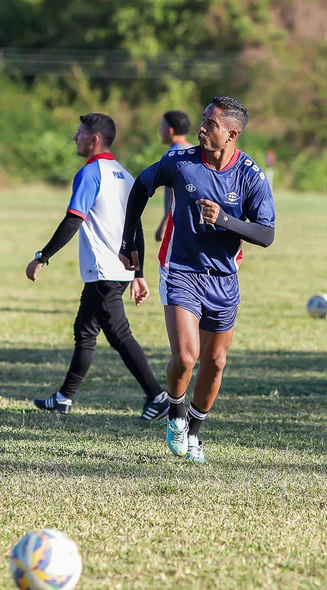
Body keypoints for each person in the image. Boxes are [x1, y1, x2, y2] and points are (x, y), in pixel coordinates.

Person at [119, 96, 276, 463]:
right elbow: (141, 188)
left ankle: (195, 430)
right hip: (181, 271)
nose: (202, 128)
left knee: (216, 362)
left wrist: (224, 220)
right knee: (187, 358)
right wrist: (130, 241)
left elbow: (266, 235)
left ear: (232, 134)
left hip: (224, 279)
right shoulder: (180, 162)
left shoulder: (250, 175)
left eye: (211, 124)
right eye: (203, 120)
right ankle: (175, 414)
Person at [24, 113, 169, 421]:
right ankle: (64, 398)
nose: (74, 138)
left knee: (119, 334)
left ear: (94, 140)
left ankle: (158, 396)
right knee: (85, 330)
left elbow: (74, 219)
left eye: (79, 133)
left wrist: (42, 256)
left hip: (104, 270)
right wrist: (139, 273)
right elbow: (137, 229)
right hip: (117, 271)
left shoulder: (90, 173)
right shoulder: (125, 175)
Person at [153, 110, 194, 243]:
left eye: (161, 127)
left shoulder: (172, 156)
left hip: (178, 222)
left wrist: (164, 223)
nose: (160, 131)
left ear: (170, 131)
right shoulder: (195, 151)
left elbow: (178, 192)